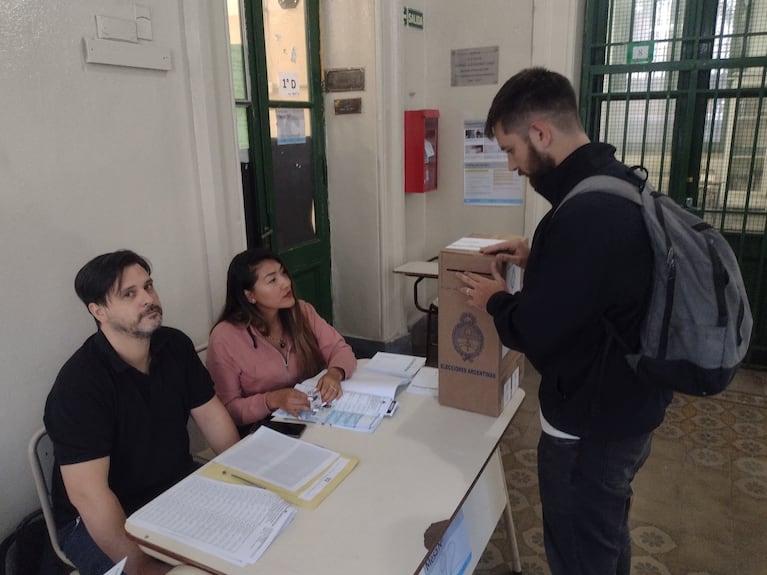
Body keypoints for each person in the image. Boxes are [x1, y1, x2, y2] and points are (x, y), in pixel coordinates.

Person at [457, 68, 672, 575]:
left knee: (580, 550)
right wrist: (540, 258)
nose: (511, 165)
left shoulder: (585, 214)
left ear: (540, 133)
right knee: (606, 535)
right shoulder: (615, 183)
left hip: (589, 425)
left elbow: (536, 331)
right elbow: (606, 287)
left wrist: (493, 300)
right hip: (629, 406)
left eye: (511, 149)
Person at [44, 250, 240, 575]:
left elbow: (213, 417)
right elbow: (89, 496)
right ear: (98, 311)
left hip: (174, 488)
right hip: (100, 519)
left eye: (148, 286)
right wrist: (141, 567)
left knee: (260, 535)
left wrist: (247, 481)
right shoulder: (79, 384)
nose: (148, 299)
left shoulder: (174, 345)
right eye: (130, 294)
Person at [207, 248, 357, 431]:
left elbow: (340, 349)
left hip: (313, 416)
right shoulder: (225, 337)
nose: (286, 283)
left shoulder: (302, 312)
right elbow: (228, 410)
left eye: (283, 273)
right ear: (250, 295)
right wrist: (272, 400)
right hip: (263, 429)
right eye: (272, 280)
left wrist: (334, 374)